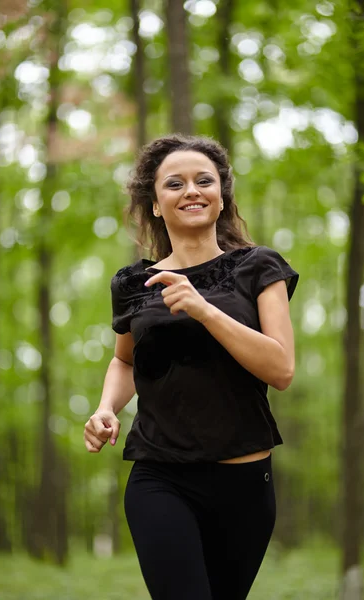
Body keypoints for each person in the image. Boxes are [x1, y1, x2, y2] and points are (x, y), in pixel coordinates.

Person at [84, 134, 299, 600]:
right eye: (174, 183)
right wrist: (106, 408)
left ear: (221, 197)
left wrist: (204, 309)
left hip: (243, 482)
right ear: (157, 204)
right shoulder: (133, 283)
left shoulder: (259, 268)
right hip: (160, 476)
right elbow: (124, 361)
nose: (192, 191)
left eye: (205, 180)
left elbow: (281, 370)